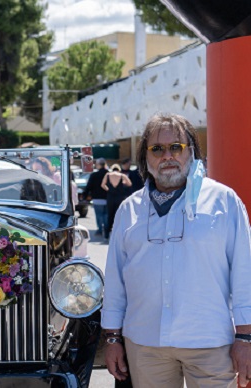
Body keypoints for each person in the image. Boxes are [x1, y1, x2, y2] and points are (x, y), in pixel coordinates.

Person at [102, 113, 251, 388]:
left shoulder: (223, 201)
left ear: (191, 151)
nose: (167, 156)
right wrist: (112, 339)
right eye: (157, 149)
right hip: (145, 344)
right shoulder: (129, 209)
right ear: (145, 156)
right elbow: (115, 281)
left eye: (176, 147)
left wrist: (245, 338)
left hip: (210, 343)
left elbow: (245, 274)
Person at [101, 163, 132, 238]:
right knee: (119, 215)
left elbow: (102, 185)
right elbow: (130, 184)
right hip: (119, 197)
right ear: (119, 169)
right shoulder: (122, 175)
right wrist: (123, 184)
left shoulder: (108, 175)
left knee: (110, 215)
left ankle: (107, 234)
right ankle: (118, 233)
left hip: (110, 197)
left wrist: (108, 189)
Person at [83, 158, 109, 237]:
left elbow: (88, 187)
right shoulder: (109, 174)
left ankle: (100, 230)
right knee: (106, 215)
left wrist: (85, 196)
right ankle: (107, 229)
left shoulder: (94, 175)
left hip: (97, 199)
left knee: (99, 215)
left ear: (98, 165)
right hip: (108, 198)